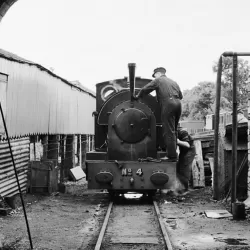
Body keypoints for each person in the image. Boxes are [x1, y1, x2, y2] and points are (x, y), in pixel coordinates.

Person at [134, 67, 183, 160]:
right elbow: (181, 96)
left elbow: (146, 89)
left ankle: (171, 156)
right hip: (178, 104)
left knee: (168, 130)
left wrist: (138, 96)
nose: (154, 77)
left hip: (168, 104)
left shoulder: (158, 80)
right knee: (174, 130)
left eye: (155, 75)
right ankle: (174, 153)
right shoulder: (173, 82)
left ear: (158, 74)